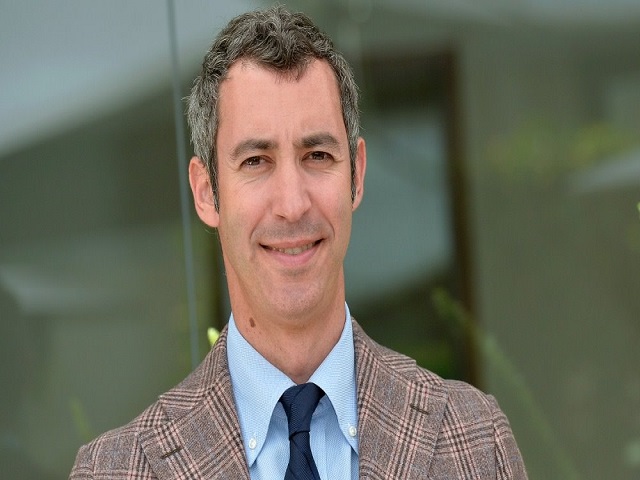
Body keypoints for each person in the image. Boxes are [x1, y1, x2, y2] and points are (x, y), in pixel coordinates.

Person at [70, 6, 527, 479]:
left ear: (357, 175)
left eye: (317, 155)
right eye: (256, 161)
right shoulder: (115, 471)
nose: (292, 204)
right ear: (206, 192)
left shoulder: (476, 441)